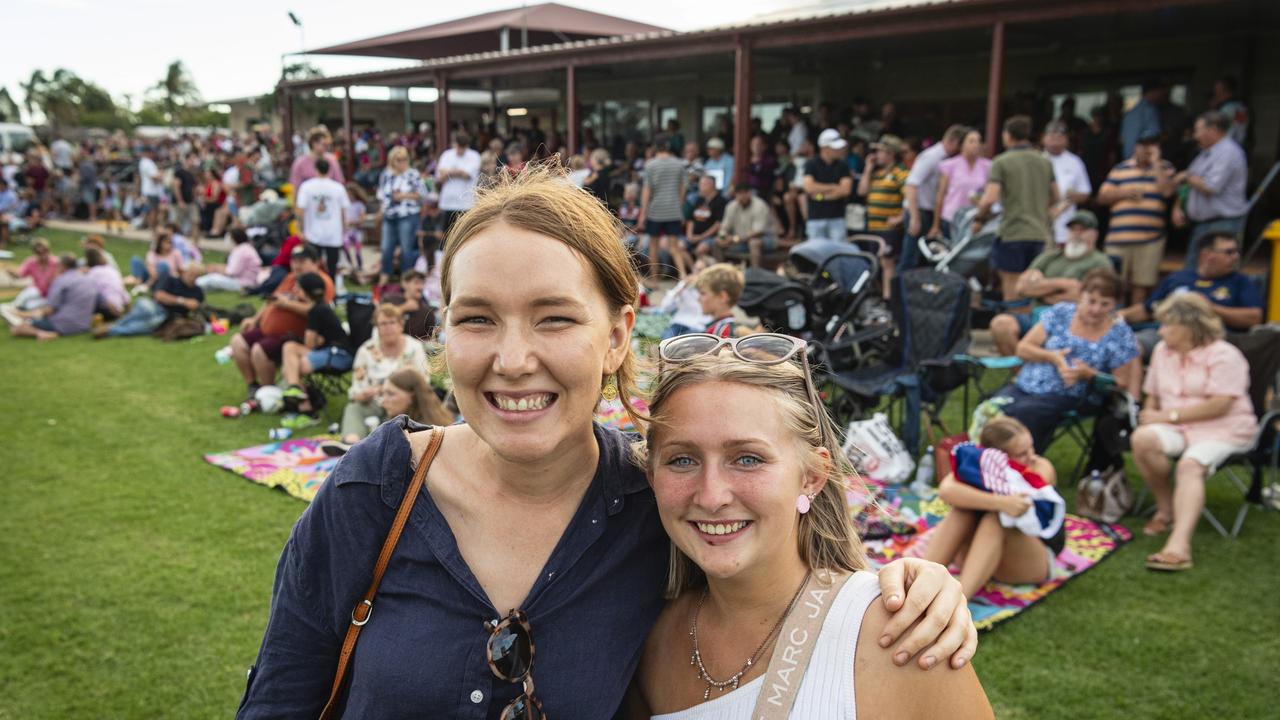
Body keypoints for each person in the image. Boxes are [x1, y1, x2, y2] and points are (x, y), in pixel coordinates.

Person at [237, 168, 977, 718]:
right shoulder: (374, 490)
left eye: (554, 318)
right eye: (477, 318)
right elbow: (278, 701)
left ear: (619, 334)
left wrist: (905, 584)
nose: (513, 358)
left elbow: (773, 567)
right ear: (445, 331)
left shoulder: (656, 509)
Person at [631, 341, 991, 718]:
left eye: (748, 459)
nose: (711, 496)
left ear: (813, 476)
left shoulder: (899, 632)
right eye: (682, 459)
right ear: (651, 474)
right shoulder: (648, 636)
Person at [1131, 293, 1257, 572]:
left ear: (1188, 326)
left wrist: (1165, 415)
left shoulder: (1225, 355)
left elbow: (1220, 404)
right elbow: (1152, 394)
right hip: (1178, 428)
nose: (1161, 331)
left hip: (1223, 429)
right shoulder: (1164, 351)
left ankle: (1179, 546)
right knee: (1142, 439)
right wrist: (1150, 419)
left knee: (1189, 465)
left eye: (1166, 325)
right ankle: (1166, 509)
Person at [992, 268, 1141, 453]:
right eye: (1091, 301)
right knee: (992, 408)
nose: (1095, 309)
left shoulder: (1120, 333)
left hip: (1073, 395)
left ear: (1115, 305)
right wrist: (1053, 357)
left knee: (1023, 413)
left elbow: (1120, 382)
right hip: (1027, 385)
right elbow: (1023, 348)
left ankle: (1020, 466)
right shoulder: (1061, 313)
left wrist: (1088, 374)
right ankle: (987, 464)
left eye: (1105, 304)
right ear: (1081, 295)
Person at [922, 416, 1064, 599]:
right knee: (962, 511)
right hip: (979, 556)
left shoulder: (1040, 468)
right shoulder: (980, 466)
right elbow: (947, 491)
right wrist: (1000, 502)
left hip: (1028, 560)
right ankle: (919, 582)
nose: (1032, 456)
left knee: (997, 519)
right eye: (1022, 453)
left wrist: (993, 503)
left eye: (1031, 447)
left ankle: (956, 602)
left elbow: (1023, 502)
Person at [988, 210, 1115, 356]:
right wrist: (1064, 285)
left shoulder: (1100, 262)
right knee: (1001, 325)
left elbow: (1082, 296)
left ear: (1095, 234)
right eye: (1073, 229)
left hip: (1072, 321)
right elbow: (1021, 287)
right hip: (1037, 316)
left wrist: (1042, 288)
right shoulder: (1050, 257)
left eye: (1082, 230)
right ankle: (1021, 374)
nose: (1076, 234)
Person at [1120, 232, 1262, 355]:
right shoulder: (1178, 278)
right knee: (1129, 347)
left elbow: (1254, 317)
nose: (1235, 257)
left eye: (1237, 252)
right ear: (1206, 254)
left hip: (1210, 340)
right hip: (1165, 334)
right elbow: (1147, 309)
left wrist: (1210, 307)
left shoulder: (1240, 281)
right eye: (1229, 252)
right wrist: (1121, 315)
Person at [973, 115, 1059, 302]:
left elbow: (989, 198)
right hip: (1038, 233)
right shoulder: (1044, 161)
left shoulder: (1002, 161)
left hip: (1013, 231)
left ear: (1008, 135)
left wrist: (979, 219)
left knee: (1012, 288)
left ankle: (1012, 325)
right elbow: (1056, 197)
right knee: (1032, 287)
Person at [229, 246, 335, 397]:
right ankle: (253, 386)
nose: (297, 265)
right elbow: (271, 300)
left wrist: (287, 304)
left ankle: (268, 393)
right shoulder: (291, 277)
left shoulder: (322, 281)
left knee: (259, 350)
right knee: (237, 342)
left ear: (315, 263)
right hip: (269, 330)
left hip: (294, 335)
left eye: (302, 261)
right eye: (294, 261)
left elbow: (321, 311)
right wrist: (255, 319)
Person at [1096, 134, 1176, 307]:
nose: (1148, 149)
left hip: (1150, 238)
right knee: (1114, 283)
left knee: (1142, 284)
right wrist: (1124, 193)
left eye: (1153, 145)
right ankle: (1111, 323)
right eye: (1144, 145)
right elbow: (1102, 197)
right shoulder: (1120, 169)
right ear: (1135, 147)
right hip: (1119, 237)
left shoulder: (1165, 168)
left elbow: (1167, 192)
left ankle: (1131, 323)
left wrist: (1156, 163)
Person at [332, 303, 428, 446]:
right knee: (354, 408)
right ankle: (350, 444)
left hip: (405, 404)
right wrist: (363, 394)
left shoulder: (414, 348)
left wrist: (392, 392)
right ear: (376, 328)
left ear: (401, 325)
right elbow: (356, 389)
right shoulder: (366, 350)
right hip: (374, 402)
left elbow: (423, 382)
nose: (388, 327)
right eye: (383, 324)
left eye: (392, 322)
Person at [1174, 111, 1249, 268]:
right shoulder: (1205, 154)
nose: (1195, 136)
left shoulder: (1228, 152)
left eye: (1198, 130)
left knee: (1216, 273)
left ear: (1213, 130)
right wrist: (1178, 207)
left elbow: (1210, 186)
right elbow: (1189, 183)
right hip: (1203, 225)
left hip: (1222, 225)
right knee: (1195, 272)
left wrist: (1185, 177)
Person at [280, 272, 355, 419]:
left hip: (339, 356)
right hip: (338, 353)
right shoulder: (323, 307)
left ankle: (301, 400)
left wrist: (314, 340)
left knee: (291, 360)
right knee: (290, 364)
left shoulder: (315, 310)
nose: (295, 290)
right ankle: (304, 407)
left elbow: (309, 344)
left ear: (305, 292)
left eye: (298, 287)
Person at [859, 135, 910, 299]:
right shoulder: (876, 173)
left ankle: (889, 298)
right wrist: (867, 169)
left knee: (887, 262)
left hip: (889, 228)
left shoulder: (900, 173)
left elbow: (910, 198)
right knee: (875, 263)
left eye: (880, 151)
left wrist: (900, 218)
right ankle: (879, 295)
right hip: (873, 226)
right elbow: (862, 192)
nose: (876, 155)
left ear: (890, 153)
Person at [100, 262, 206, 338]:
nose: (193, 278)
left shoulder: (197, 292)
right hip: (154, 306)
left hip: (167, 317)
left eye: (196, 276)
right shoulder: (171, 280)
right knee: (143, 312)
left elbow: (197, 309)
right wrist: (183, 301)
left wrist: (195, 307)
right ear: (185, 272)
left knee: (147, 326)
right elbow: (159, 296)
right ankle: (115, 326)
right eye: (191, 274)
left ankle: (111, 330)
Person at [9, 254, 97, 341]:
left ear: (62, 266)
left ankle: (42, 333)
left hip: (63, 325)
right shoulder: (87, 279)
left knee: (17, 328)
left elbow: (49, 310)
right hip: (84, 325)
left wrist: (22, 314)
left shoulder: (61, 280)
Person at [905, 125, 965, 247]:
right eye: (960, 146)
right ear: (952, 142)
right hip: (919, 211)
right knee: (912, 256)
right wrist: (914, 217)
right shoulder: (932, 156)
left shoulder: (948, 159)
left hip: (929, 212)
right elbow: (911, 185)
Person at [637, 137, 687, 286]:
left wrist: (643, 213)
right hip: (673, 210)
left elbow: (647, 190)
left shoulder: (651, 165)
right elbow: (683, 188)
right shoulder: (679, 164)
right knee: (674, 246)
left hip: (655, 211)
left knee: (653, 246)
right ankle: (683, 276)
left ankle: (655, 280)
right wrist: (679, 205)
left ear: (655, 148)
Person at [296, 158, 350, 281]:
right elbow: (344, 211)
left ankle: (316, 289)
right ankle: (332, 290)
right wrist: (344, 229)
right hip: (333, 233)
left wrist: (301, 229)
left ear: (315, 169)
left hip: (313, 233)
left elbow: (300, 210)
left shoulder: (306, 187)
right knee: (332, 267)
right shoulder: (338, 187)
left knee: (313, 265)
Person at [931, 128, 990, 237]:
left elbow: (989, 193)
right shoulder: (949, 165)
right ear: (962, 144)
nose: (976, 145)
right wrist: (936, 225)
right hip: (951, 218)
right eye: (971, 141)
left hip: (974, 219)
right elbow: (940, 195)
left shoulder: (987, 166)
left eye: (978, 141)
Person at [1042, 122, 1092, 246]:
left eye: (1060, 137)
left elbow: (1085, 193)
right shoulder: (1038, 160)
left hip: (1065, 225)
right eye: (1052, 137)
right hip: (1041, 224)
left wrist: (1071, 197)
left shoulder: (1074, 162)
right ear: (1043, 138)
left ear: (1066, 140)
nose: (1056, 141)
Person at [803, 129, 853, 242]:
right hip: (816, 218)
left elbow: (845, 190)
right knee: (815, 254)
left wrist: (820, 196)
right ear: (824, 148)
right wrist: (834, 186)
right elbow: (809, 188)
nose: (839, 150)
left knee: (838, 252)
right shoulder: (811, 164)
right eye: (834, 147)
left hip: (837, 218)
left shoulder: (843, 166)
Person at [714, 183, 777, 268]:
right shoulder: (731, 206)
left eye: (744, 193)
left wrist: (734, 239)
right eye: (739, 193)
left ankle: (755, 274)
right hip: (740, 240)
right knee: (716, 242)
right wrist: (722, 237)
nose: (742, 196)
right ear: (735, 194)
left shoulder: (759, 205)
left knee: (754, 243)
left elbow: (757, 232)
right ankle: (721, 272)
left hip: (765, 238)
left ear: (749, 193)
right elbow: (724, 228)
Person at [435, 130, 481, 235]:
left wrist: (448, 172)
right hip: (447, 203)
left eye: (462, 147)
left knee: (464, 235)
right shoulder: (446, 155)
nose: (460, 150)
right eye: (458, 146)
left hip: (466, 204)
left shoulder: (474, 156)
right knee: (446, 236)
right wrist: (458, 172)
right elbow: (440, 177)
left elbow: (466, 175)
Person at [378, 367, 455, 428]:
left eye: (391, 394)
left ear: (413, 396)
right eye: (382, 394)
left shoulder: (426, 432)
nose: (383, 401)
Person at [197, 228, 262, 294]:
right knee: (212, 280)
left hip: (242, 283)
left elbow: (232, 272)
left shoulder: (240, 251)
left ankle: (191, 284)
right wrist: (218, 267)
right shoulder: (247, 248)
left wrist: (216, 269)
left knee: (212, 278)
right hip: (248, 282)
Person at [684, 175, 727, 264]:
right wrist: (689, 235)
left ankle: (706, 272)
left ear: (711, 185)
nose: (699, 187)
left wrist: (701, 237)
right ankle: (693, 270)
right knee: (677, 245)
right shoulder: (699, 200)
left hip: (711, 237)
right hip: (694, 236)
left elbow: (718, 224)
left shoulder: (721, 201)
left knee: (700, 249)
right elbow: (691, 220)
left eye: (702, 184)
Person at [288, 126, 346, 191]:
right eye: (324, 144)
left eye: (327, 145)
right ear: (314, 143)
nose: (327, 147)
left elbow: (339, 183)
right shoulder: (300, 162)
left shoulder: (332, 160)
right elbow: (295, 186)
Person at [697, 262, 745, 339]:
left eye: (703, 293)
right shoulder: (719, 327)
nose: (698, 299)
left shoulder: (723, 332)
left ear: (722, 297)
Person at [1120, 82, 1163, 160]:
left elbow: (1122, 140)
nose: (1161, 95)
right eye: (1159, 91)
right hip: (1144, 163)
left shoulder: (1129, 113)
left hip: (1128, 161)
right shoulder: (1150, 110)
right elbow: (1153, 136)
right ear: (1152, 91)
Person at [85, 246, 129, 319]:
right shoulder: (112, 270)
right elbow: (123, 291)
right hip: (119, 307)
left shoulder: (93, 272)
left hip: (108, 309)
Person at [1209, 76, 1249, 146]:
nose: (1215, 92)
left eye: (1217, 89)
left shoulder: (1238, 108)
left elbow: (1240, 131)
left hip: (1229, 146)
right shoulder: (1221, 107)